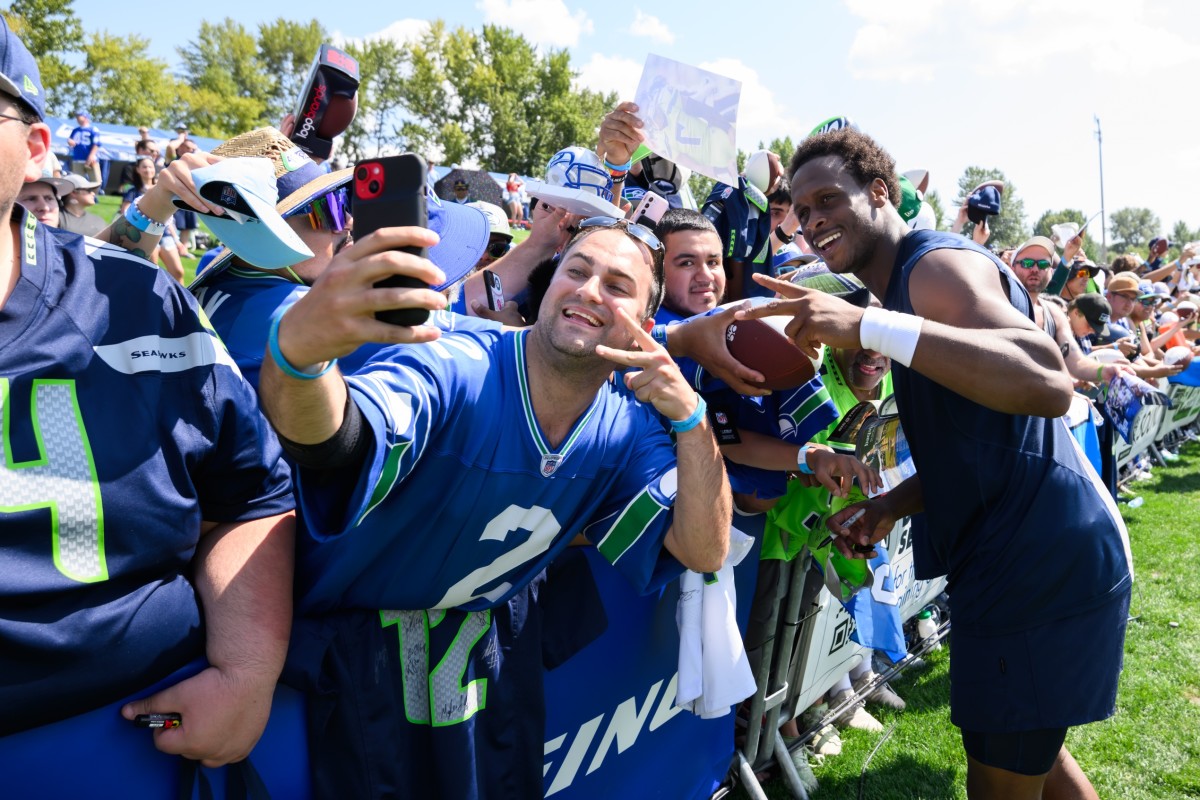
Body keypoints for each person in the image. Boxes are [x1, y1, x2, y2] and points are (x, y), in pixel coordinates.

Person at [257, 216, 731, 798]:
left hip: (472, 674)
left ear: (644, 331)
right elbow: (338, 441)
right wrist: (300, 359)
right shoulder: (459, 362)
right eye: (576, 271)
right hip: (334, 666)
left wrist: (693, 421)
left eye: (616, 285)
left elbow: (704, 549)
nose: (588, 290)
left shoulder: (627, 429)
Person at [730, 127, 1132, 800]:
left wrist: (867, 327)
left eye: (828, 199)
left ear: (879, 192)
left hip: (1035, 562)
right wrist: (890, 505)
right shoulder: (902, 290)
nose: (812, 219)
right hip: (1019, 555)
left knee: (1001, 781)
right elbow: (978, 441)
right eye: (800, 210)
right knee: (1033, 763)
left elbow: (1047, 381)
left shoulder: (932, 267)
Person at [0, 17, 295, 781]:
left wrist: (245, 674)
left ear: (36, 147)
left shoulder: (139, 300)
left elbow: (252, 494)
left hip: (134, 726)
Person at [188, 127, 491, 390]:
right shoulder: (289, 310)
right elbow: (445, 337)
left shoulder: (226, 271)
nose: (347, 222)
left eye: (341, 200)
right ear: (265, 232)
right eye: (324, 211)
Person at [121, 155, 183, 282]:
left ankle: (180, 295)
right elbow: (125, 212)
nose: (148, 170)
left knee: (178, 271)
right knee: (152, 271)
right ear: (137, 169)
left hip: (165, 234)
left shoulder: (162, 189)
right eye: (144, 167)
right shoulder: (133, 191)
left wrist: (177, 240)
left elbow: (168, 217)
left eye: (150, 167)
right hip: (146, 234)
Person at [66, 108, 102, 184]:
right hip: (78, 158)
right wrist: (70, 141)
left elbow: (96, 144)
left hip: (91, 160)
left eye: (79, 116)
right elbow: (71, 141)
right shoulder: (75, 130)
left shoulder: (93, 129)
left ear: (85, 117)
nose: (77, 118)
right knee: (77, 182)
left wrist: (91, 155)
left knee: (96, 182)